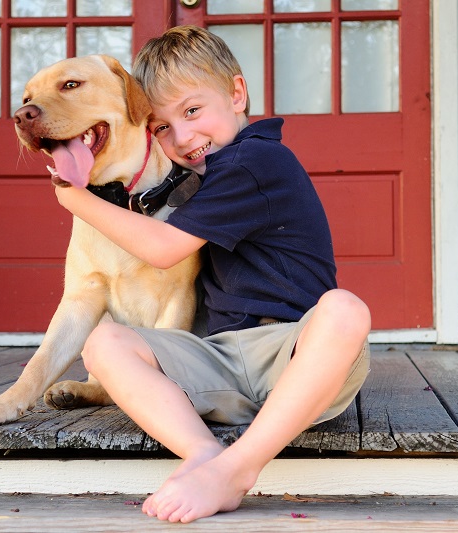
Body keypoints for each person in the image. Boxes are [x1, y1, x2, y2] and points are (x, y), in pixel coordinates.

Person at [53, 25, 371, 523]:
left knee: (346, 310)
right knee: (104, 341)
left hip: (293, 356)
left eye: (192, 111)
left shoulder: (254, 160)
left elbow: (161, 248)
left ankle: (238, 468)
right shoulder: (207, 175)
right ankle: (202, 452)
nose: (182, 138)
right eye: (161, 127)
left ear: (237, 94)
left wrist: (74, 195)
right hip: (224, 359)